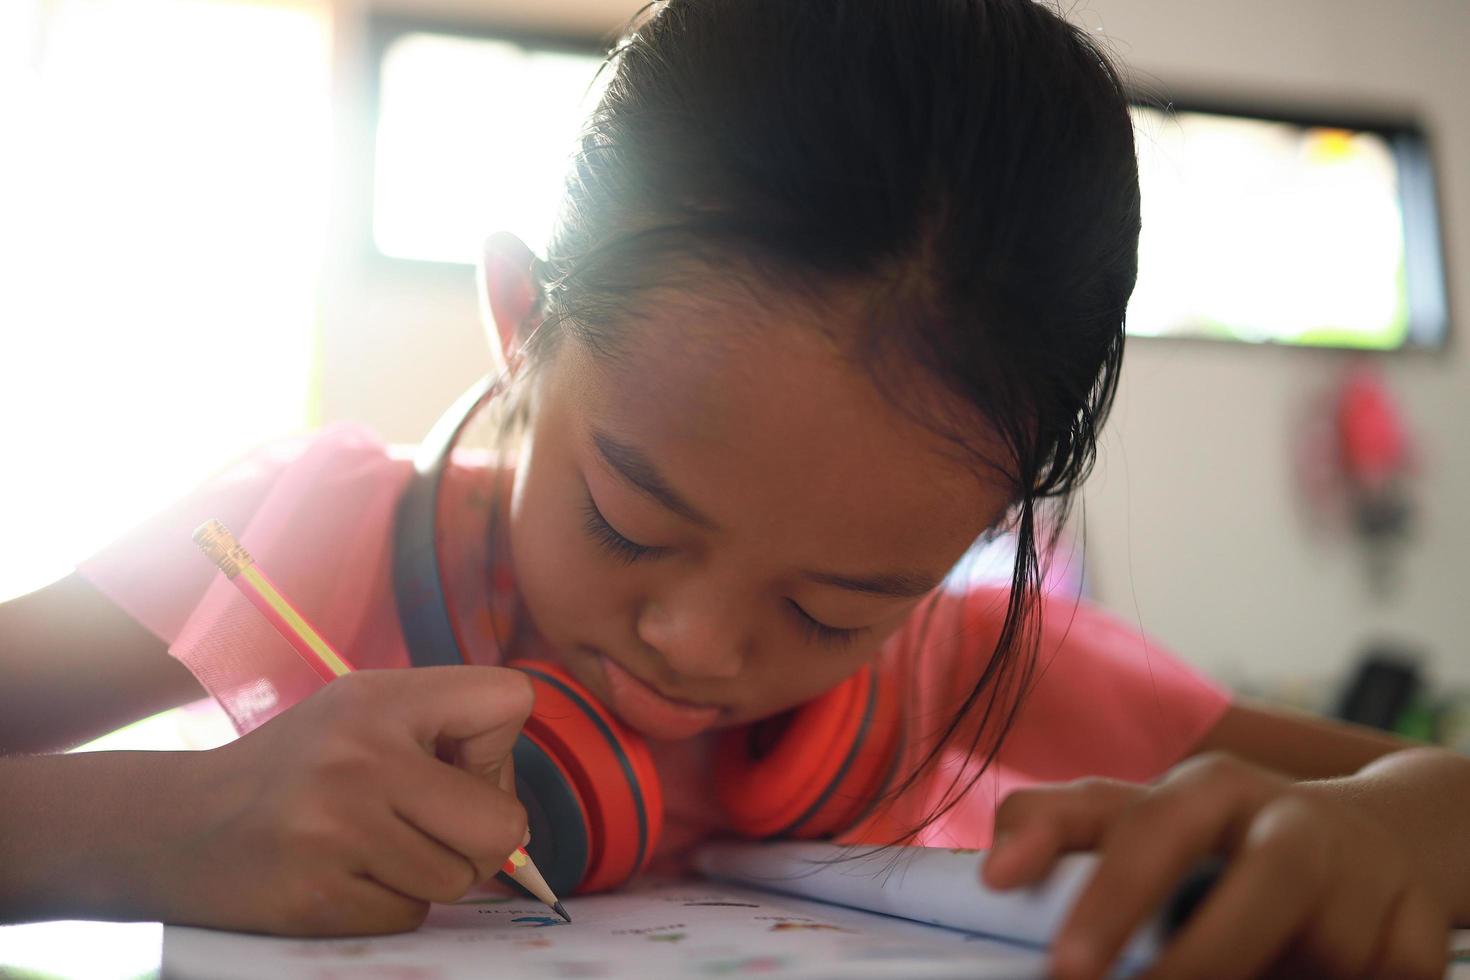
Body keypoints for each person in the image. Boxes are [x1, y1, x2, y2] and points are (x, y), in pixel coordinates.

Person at [0, 0, 1463, 975]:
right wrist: (143, 827)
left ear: (985, 524)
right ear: (521, 319)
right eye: (630, 519)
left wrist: (1397, 827)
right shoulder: (305, 541)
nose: (695, 650)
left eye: (842, 604)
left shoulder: (960, 685)